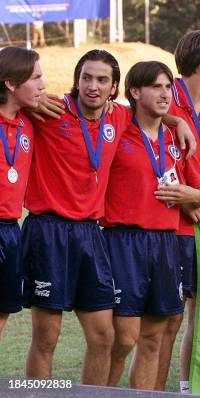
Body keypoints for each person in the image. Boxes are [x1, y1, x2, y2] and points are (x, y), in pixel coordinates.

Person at [21, 49, 195, 385]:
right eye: (86, 77)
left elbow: (152, 112)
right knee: (47, 337)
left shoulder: (118, 117)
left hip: (91, 234)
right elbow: (14, 100)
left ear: (114, 86)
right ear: (77, 79)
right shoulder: (51, 110)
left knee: (104, 337)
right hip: (48, 230)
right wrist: (32, 101)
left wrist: (179, 120)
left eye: (102, 80)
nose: (93, 86)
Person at [102, 61, 200, 391]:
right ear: (135, 92)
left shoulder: (178, 139)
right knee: (124, 338)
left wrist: (190, 193)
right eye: (156, 87)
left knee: (153, 338)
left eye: (168, 88)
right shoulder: (119, 126)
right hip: (124, 240)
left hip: (166, 242)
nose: (165, 94)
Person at [155, 30, 200, 394]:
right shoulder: (168, 100)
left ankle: (187, 385)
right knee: (169, 318)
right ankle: (154, 389)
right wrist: (194, 205)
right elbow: (158, 163)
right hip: (175, 227)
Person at [0, 47, 44, 339]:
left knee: (2, 312)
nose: (42, 85)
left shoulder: (30, 121)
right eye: (36, 78)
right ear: (11, 84)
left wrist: (175, 120)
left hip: (11, 230)